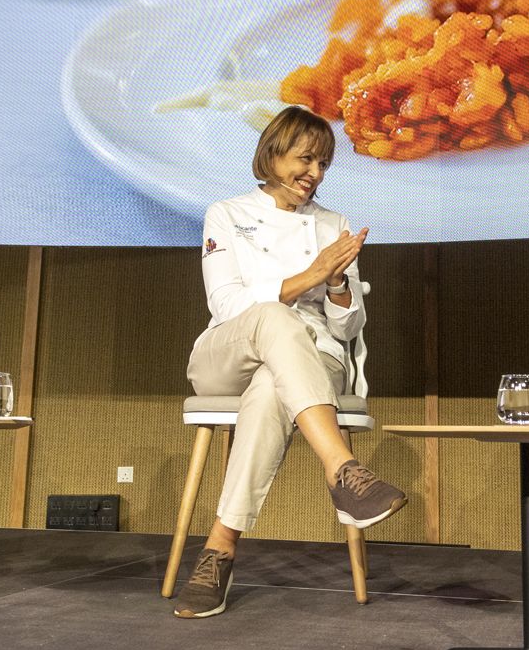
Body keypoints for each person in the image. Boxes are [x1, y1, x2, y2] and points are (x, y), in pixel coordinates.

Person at [174, 106, 408, 618]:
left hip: (310, 360)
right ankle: (342, 470)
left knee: (270, 387)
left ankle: (219, 549)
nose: (315, 174)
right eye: (305, 159)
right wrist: (310, 275)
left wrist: (337, 282)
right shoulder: (227, 214)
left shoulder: (331, 224)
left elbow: (347, 329)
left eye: (324, 163)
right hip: (226, 352)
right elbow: (228, 305)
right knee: (276, 320)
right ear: (272, 154)